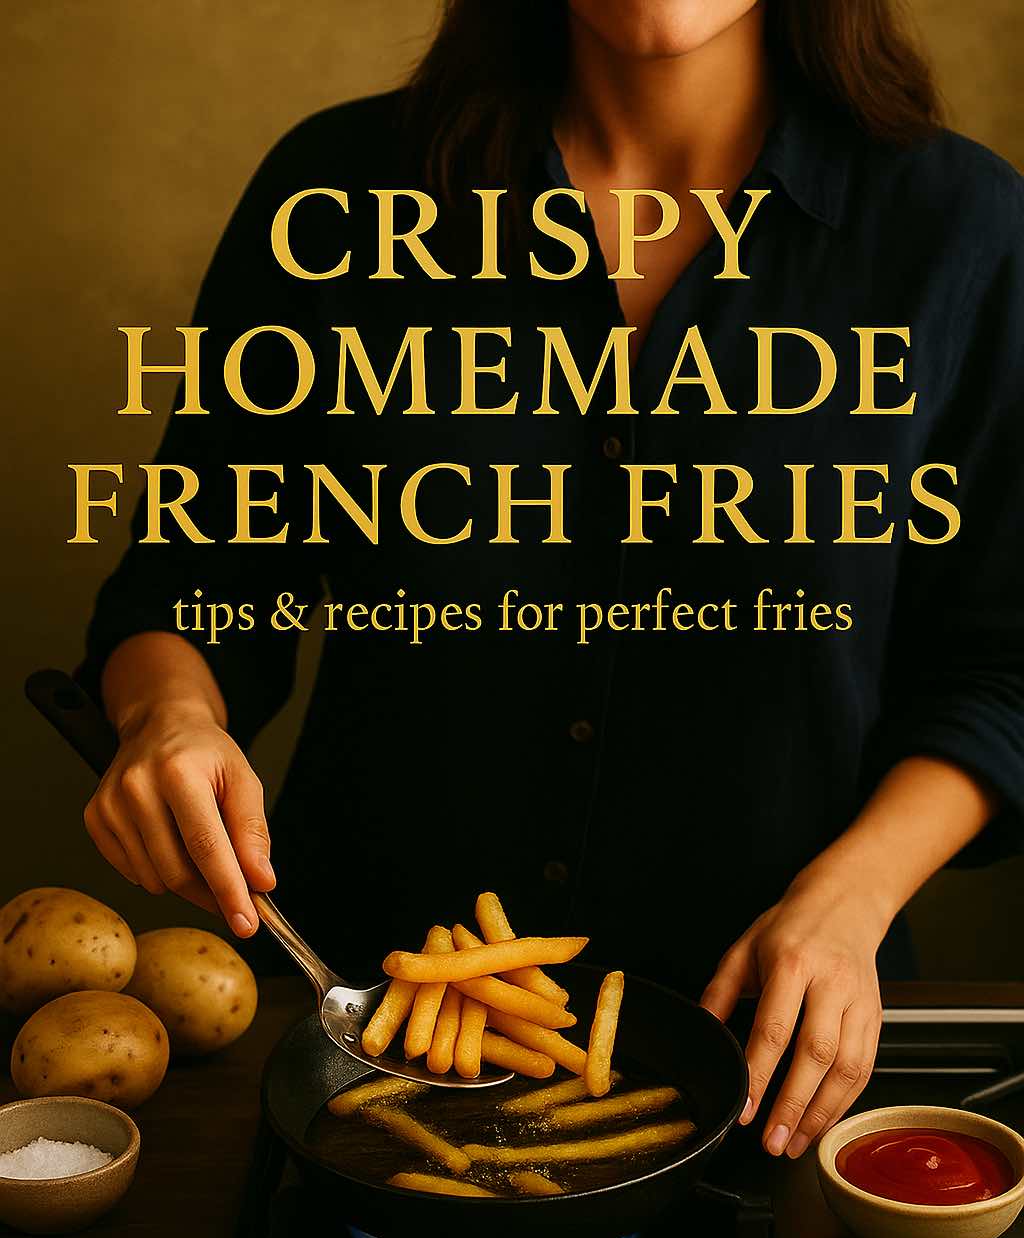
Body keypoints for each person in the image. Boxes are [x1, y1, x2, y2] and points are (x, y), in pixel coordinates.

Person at [80, 0, 1024, 1159]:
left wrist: (853, 900)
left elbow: (1001, 668)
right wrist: (166, 715)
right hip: (364, 1060)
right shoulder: (331, 184)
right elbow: (188, 580)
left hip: (782, 1061)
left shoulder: (965, 226)